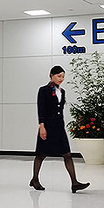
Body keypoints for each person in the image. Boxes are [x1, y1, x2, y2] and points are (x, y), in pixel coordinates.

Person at [30, 65, 90, 193]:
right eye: (58, 76)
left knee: (67, 154)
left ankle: (74, 183)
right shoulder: (43, 90)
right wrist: (42, 126)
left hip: (59, 127)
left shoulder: (62, 92)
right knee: (41, 154)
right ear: (51, 75)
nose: (61, 79)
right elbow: (41, 109)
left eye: (63, 76)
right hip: (47, 126)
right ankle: (35, 179)